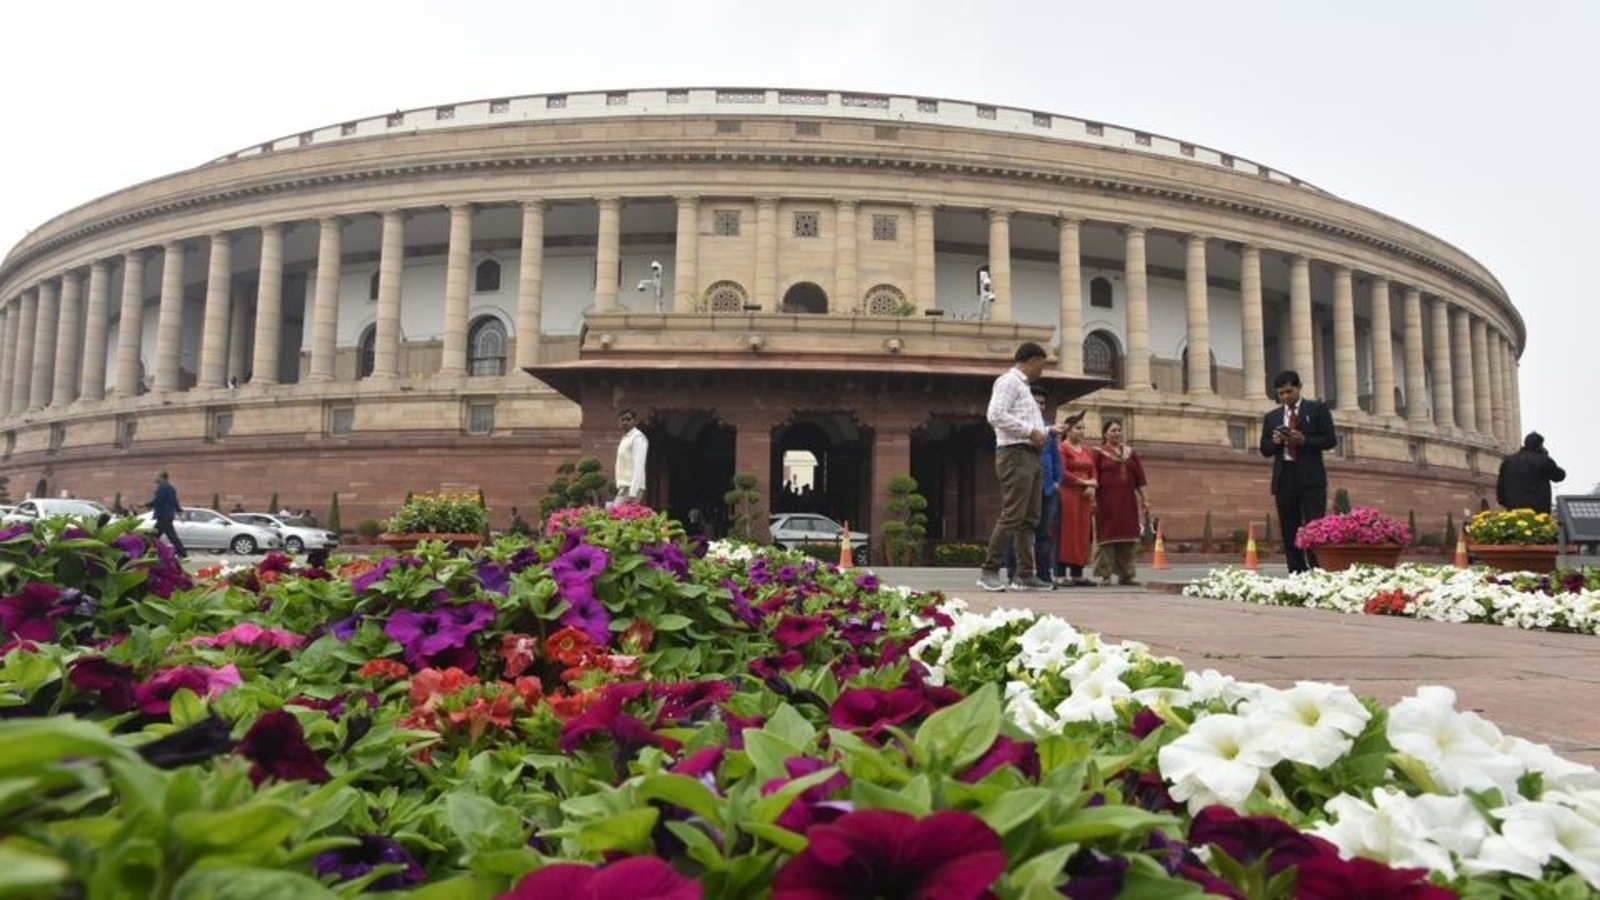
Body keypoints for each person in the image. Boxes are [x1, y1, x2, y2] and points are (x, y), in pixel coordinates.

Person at [978, 342, 1052, 592]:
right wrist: (1030, 431)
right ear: (1031, 360)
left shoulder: (1023, 387)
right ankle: (989, 570)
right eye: (1041, 365)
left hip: (1029, 454)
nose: (1042, 370)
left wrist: (1046, 431)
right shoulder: (1009, 382)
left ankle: (1024, 574)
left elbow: (1025, 424)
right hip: (1015, 454)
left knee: (1029, 518)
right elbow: (995, 415)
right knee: (1013, 514)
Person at [1259, 369, 1338, 573]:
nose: (1285, 396)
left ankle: (1317, 570)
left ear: (1299, 388)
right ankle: (1296, 572)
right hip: (1285, 476)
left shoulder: (1317, 409)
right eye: (1281, 393)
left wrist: (1304, 441)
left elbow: (1330, 440)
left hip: (1311, 477)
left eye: (1289, 391)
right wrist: (1276, 442)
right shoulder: (1272, 417)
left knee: (1314, 526)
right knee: (1289, 528)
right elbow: (1265, 449)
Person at [1005, 388, 1062, 589]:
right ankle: (1015, 574)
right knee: (1018, 531)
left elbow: (1055, 458)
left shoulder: (1049, 429)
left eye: (1042, 403)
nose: (1039, 406)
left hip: (1047, 488)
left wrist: (1057, 481)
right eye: (1035, 402)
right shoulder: (1018, 427)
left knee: (1045, 534)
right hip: (1025, 486)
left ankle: (1045, 576)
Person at [1091, 418, 1149, 585]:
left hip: (1128, 503)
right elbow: (1093, 476)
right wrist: (1092, 499)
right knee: (1107, 537)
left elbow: (1140, 479)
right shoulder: (1098, 453)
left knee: (1129, 537)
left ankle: (1127, 575)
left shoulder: (1131, 453)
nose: (1117, 433)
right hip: (1106, 502)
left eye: (1118, 430)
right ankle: (1106, 575)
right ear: (1105, 434)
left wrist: (1145, 499)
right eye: (1113, 430)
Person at [1055, 411, 1097, 586]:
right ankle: (1060, 573)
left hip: (1084, 496)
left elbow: (1093, 470)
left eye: (1083, 428)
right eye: (1078, 428)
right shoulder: (1061, 448)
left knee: (1082, 532)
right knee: (1066, 532)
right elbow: (1062, 472)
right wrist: (1083, 481)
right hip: (1067, 494)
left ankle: (1078, 573)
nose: (1081, 431)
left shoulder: (1087, 450)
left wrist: (1092, 485)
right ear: (1068, 431)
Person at [1497, 431, 1566, 514]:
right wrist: (1545, 457)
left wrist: (1503, 501)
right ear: (1540, 445)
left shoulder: (1508, 461)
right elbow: (1559, 476)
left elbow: (1501, 484)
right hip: (1538, 509)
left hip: (1513, 508)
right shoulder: (1543, 460)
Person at [611, 408, 649, 508]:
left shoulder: (638, 438)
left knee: (616, 515)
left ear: (635, 421)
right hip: (624, 487)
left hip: (631, 487)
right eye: (622, 420)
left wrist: (633, 492)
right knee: (620, 519)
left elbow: (639, 464)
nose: (625, 422)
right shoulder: (626, 438)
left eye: (628, 419)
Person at [147, 470, 186, 559]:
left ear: (161, 477)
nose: (154, 478)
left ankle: (182, 553)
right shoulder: (171, 488)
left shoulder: (162, 488)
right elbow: (175, 502)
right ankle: (151, 551)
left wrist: (146, 505)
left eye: (156, 476)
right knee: (155, 536)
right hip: (168, 515)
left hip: (163, 515)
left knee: (164, 535)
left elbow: (158, 500)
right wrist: (179, 511)